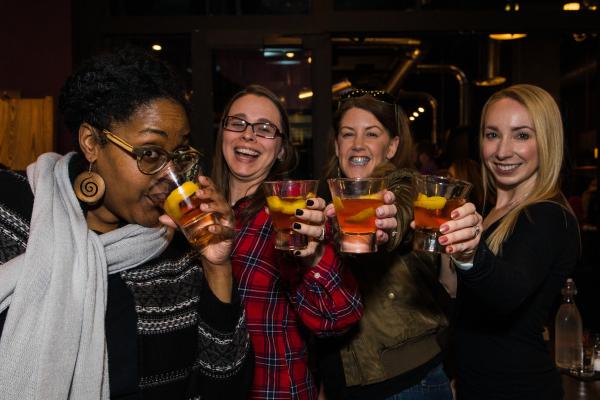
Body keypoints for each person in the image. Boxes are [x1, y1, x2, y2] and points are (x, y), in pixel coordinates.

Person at [0, 47, 252, 399]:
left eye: (179, 155)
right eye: (150, 153)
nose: (170, 175)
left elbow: (223, 387)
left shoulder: (179, 254)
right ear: (91, 142)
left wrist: (218, 268)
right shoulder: (10, 213)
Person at [211, 84, 398, 399]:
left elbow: (339, 318)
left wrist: (313, 257)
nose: (248, 135)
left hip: (275, 390)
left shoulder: (293, 215)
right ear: (223, 133)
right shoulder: (199, 209)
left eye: (265, 129)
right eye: (237, 123)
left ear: (282, 149)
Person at [316, 89, 480, 400]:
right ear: (337, 146)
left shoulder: (404, 184)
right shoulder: (328, 200)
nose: (358, 144)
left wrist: (385, 226)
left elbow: (401, 213)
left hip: (406, 383)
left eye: (372, 134)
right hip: (347, 381)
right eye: (347, 134)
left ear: (392, 146)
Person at [452, 84, 580, 399]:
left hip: (517, 389)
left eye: (521, 135)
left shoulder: (547, 215)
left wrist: (470, 253)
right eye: (492, 134)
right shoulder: (493, 210)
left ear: (546, 141)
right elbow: (465, 301)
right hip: (477, 385)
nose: (502, 151)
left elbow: (508, 291)